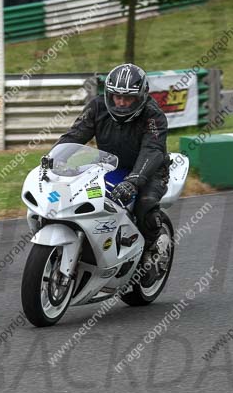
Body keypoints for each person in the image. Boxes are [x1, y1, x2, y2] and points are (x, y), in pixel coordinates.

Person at [50, 63, 169, 261]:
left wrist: (133, 181)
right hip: (110, 165)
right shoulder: (97, 107)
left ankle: (151, 250)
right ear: (109, 94)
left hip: (150, 170)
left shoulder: (153, 115)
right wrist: (53, 158)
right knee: (78, 196)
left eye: (128, 98)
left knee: (145, 205)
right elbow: (76, 134)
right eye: (117, 96)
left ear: (141, 97)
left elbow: (152, 149)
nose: (121, 103)